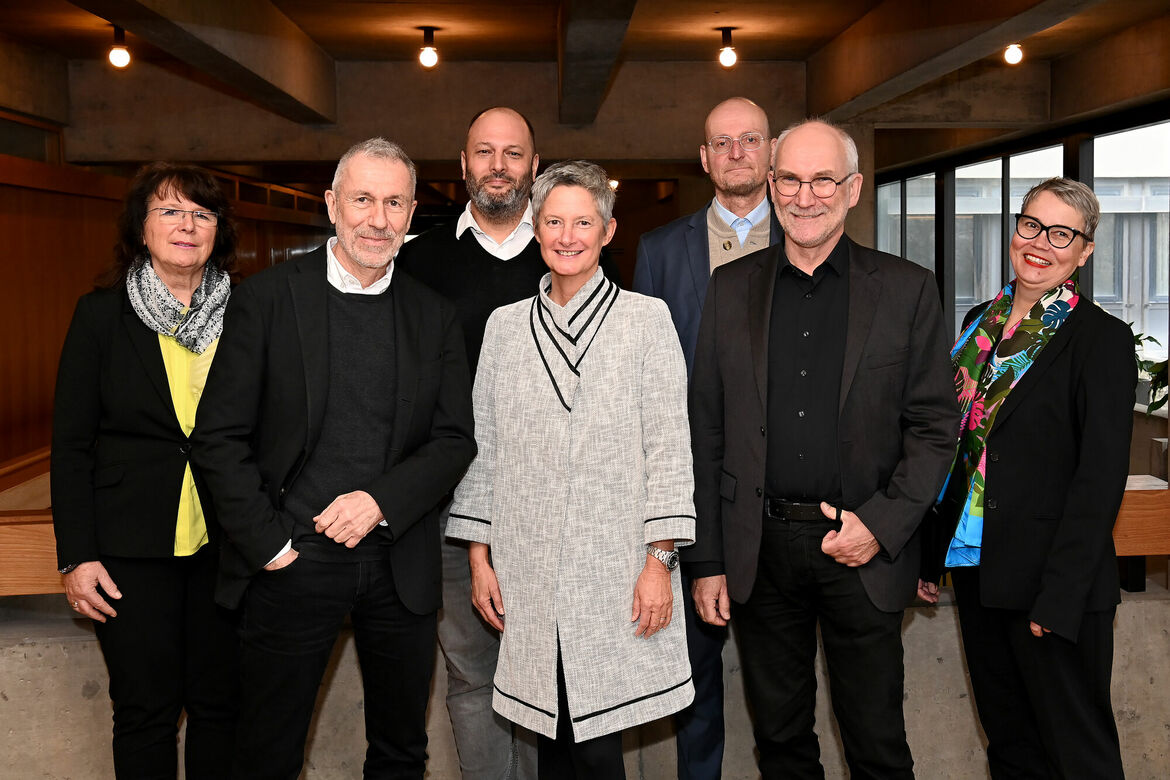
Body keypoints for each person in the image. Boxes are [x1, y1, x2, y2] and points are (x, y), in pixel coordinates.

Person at [191, 137, 476, 779]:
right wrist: (268, 543)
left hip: (396, 558)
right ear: (331, 204)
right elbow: (218, 437)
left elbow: (454, 439)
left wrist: (381, 501)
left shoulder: (434, 315)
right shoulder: (265, 301)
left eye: (395, 202)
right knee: (269, 751)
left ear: (411, 213)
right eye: (363, 200)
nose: (378, 219)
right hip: (292, 560)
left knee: (402, 750)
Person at [687, 118, 959, 779]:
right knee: (780, 746)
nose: (804, 197)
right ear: (772, 185)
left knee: (876, 747)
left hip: (860, 547)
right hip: (761, 549)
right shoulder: (729, 289)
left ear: (854, 188)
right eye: (789, 180)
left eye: (823, 180)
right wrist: (709, 558)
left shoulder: (905, 289)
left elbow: (934, 427)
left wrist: (883, 526)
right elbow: (707, 427)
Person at [447, 160, 695, 779]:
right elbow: (486, 448)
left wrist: (659, 562)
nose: (567, 235)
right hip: (526, 566)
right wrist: (479, 557)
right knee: (550, 739)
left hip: (617, 569)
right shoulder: (505, 328)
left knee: (598, 743)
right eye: (553, 221)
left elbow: (669, 446)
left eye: (583, 222)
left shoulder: (646, 320)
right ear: (535, 227)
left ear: (608, 231)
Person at [396, 107, 614, 780]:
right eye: (484, 152)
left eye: (513, 153)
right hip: (445, 508)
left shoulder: (564, 253)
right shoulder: (417, 262)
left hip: (552, 514)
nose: (498, 165)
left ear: (535, 165)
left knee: (554, 682)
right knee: (470, 675)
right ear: (462, 165)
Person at [919, 177, 1134, 778]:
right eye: (1032, 225)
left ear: (1085, 251)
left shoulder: (1102, 340)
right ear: (1015, 229)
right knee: (1011, 746)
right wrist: (929, 556)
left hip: (1052, 583)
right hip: (981, 571)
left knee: (1077, 753)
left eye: (1063, 233)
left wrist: (1060, 595)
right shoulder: (978, 323)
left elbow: (1100, 478)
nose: (1041, 243)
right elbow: (960, 447)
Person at [51, 162, 239, 778]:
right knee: (144, 710)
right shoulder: (100, 316)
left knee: (222, 707)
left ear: (218, 229)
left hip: (228, 546)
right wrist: (77, 556)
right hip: (128, 549)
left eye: (202, 213)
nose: (187, 225)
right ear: (141, 225)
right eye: (170, 211)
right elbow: (71, 445)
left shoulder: (250, 312)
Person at [632, 96, 781, 779]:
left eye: (750, 140)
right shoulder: (660, 251)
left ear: (771, 150)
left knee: (783, 684)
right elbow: (643, 376)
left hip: (784, 494)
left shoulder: (809, 237)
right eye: (722, 142)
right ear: (704, 157)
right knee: (693, 680)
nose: (737, 153)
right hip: (689, 496)